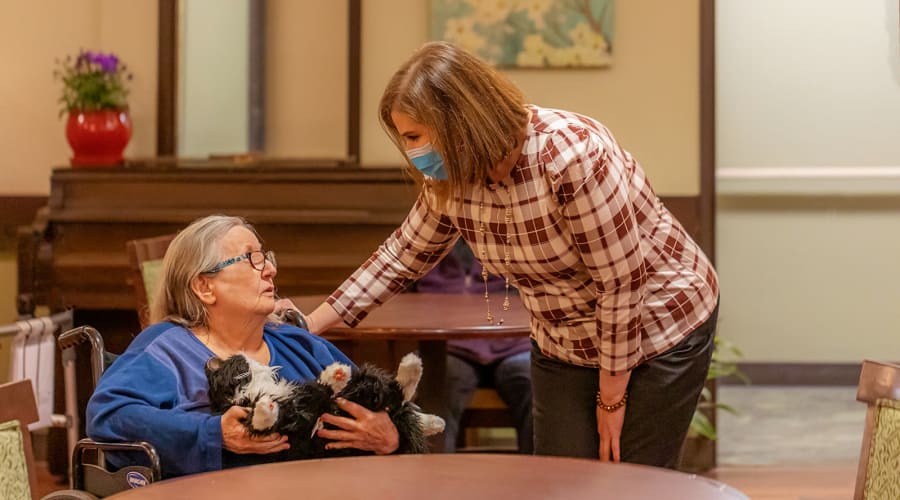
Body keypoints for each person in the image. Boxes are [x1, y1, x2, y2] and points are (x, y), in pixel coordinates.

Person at [299, 41, 719, 469]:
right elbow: (402, 255)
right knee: (564, 478)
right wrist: (309, 325)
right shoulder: (455, 175)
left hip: (656, 321)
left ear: (459, 123)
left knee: (630, 477)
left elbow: (621, 281)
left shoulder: (570, 155)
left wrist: (611, 400)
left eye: (414, 136)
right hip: (564, 337)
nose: (411, 152)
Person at [86, 215, 400, 478]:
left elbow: (385, 408)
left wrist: (391, 437)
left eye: (266, 257)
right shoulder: (167, 350)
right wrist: (212, 433)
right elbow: (109, 415)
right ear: (205, 287)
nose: (270, 270)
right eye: (252, 258)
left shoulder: (301, 345)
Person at [411, 240, 532, 453]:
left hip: (512, 343)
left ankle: (540, 477)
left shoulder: (511, 234)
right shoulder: (429, 240)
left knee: (531, 378)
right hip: (451, 345)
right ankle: (434, 476)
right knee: (439, 377)